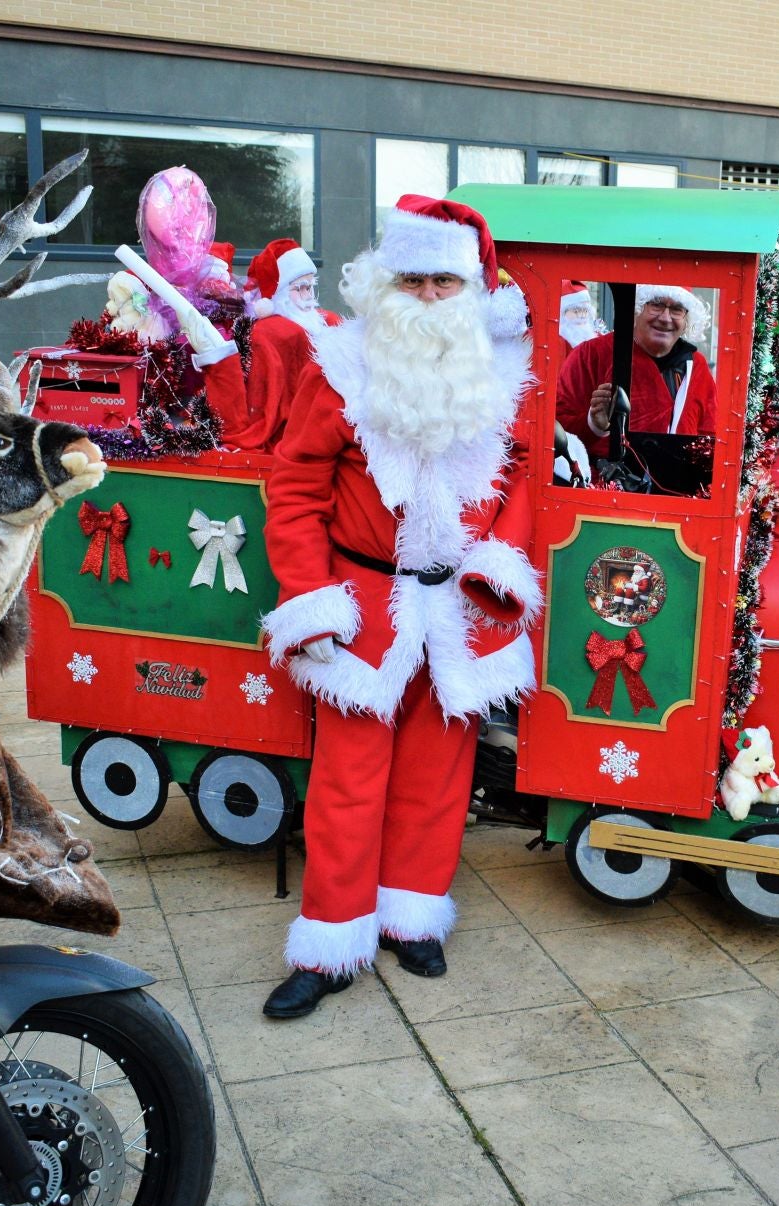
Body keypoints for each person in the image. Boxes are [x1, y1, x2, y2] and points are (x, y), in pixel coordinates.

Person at [257, 195, 540, 1019]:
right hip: (362, 605)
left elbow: (519, 478)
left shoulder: (505, 374)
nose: (424, 295)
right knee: (347, 780)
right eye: (409, 278)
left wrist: (499, 569)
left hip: (459, 607)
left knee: (439, 774)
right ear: (383, 281)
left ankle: (411, 918)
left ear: (472, 289)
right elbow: (296, 485)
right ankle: (331, 940)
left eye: (442, 282)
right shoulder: (339, 367)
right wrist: (312, 596)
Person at [557, 284, 717, 453]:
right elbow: (557, 429)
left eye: (677, 309)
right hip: (607, 477)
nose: (665, 317)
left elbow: (710, 437)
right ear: (637, 309)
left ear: (686, 320)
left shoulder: (697, 366)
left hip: (676, 479)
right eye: (656, 304)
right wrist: (594, 425)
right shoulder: (591, 354)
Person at [222, 238, 342, 452]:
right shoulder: (272, 332)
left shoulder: (327, 320)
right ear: (280, 294)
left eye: (310, 286)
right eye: (300, 288)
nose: (308, 296)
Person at [559, 282, 604, 352]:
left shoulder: (596, 336)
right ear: (562, 312)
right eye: (576, 311)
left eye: (585, 311)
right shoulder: (560, 340)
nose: (582, 316)